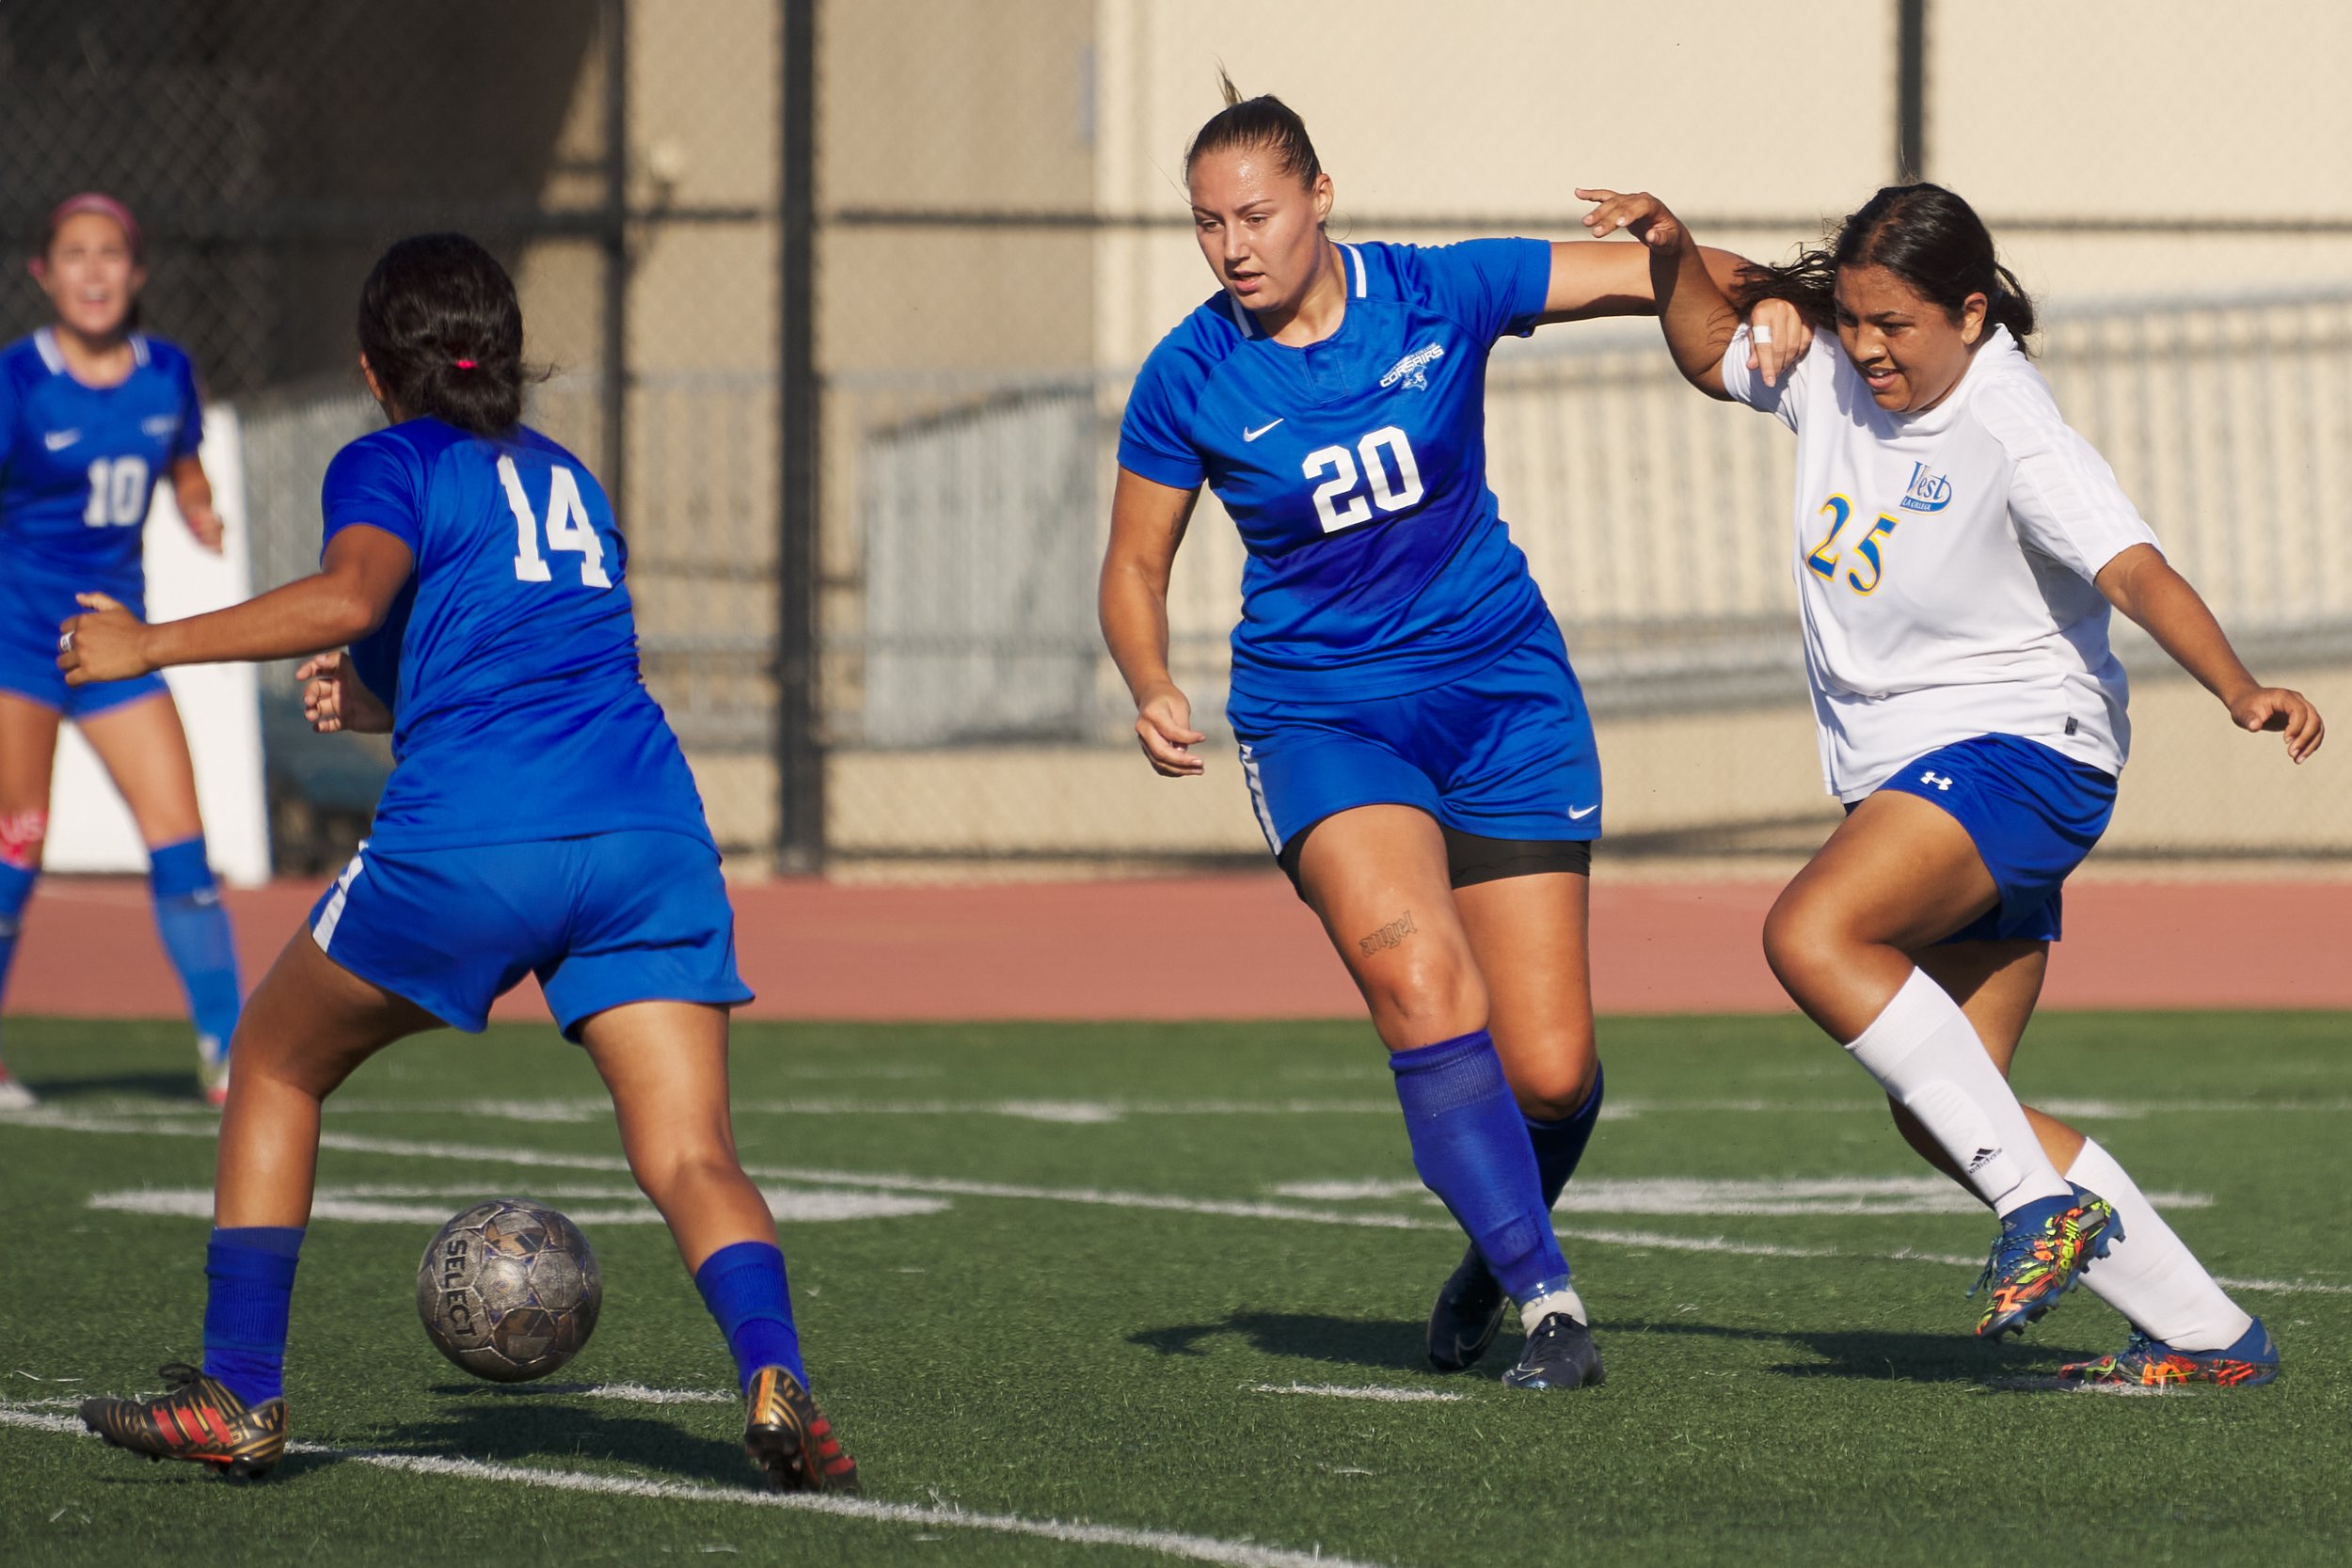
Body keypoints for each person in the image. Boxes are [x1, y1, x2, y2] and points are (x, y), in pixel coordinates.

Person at [66, 234, 857, 1486]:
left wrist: (148, 643)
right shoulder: (567, 477)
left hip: (481, 838)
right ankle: (771, 1369)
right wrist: (373, 696)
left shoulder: (386, 455)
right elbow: (508, 645)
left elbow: (347, 596)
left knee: (273, 1058)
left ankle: (240, 1390)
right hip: (649, 837)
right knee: (693, 1150)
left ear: (376, 370)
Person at [1099, 80, 1805, 1390]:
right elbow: (1133, 568)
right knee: (1423, 984)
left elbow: (1644, 270)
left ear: (1321, 196)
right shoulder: (1188, 372)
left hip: (1502, 695)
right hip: (1325, 715)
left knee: (1552, 1068)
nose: (1234, 245)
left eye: (1256, 212)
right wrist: (1150, 676)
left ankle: (1494, 1244)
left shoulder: (1440, 290)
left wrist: (1773, 287)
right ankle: (1550, 1304)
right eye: (1207, 223)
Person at [1588, 179, 2323, 1386]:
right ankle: (2212, 1336)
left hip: (2024, 754)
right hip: (1923, 774)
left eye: (1897, 327)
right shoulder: (1829, 362)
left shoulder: (2007, 420)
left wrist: (2239, 688)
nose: (1870, 348)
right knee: (1947, 1107)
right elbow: (1709, 338)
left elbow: (2134, 571)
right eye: (1855, 317)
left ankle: (2042, 1207)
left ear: (1971, 313)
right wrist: (1684, 257)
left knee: (1811, 931)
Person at [0, 193, 242, 1109]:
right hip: (18, 643)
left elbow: (183, 455)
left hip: (114, 641)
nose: (94, 271)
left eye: (111, 254)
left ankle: (228, 1048)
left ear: (136, 274)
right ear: (44, 273)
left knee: (180, 838)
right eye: (74, 254)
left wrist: (195, 496)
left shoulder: (167, 372)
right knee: (16, 841)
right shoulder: (17, 382)